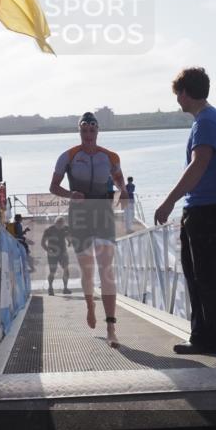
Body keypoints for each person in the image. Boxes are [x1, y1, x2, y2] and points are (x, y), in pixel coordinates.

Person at [154, 68, 216, 355]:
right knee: (197, 274)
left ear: (185, 93)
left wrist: (169, 201)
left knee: (204, 275)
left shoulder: (205, 122)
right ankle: (203, 336)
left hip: (207, 209)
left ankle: (210, 340)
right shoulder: (208, 120)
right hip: (205, 208)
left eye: (178, 93)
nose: (177, 99)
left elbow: (198, 165)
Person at [50, 111, 128, 347]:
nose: (88, 135)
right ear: (80, 131)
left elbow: (119, 180)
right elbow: (53, 186)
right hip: (80, 214)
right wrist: (70, 193)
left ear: (97, 131)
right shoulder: (69, 156)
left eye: (92, 130)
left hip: (103, 212)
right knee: (87, 269)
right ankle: (90, 305)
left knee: (107, 269)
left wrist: (123, 191)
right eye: (84, 130)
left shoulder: (110, 156)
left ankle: (111, 326)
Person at [40, 216, 72, 296]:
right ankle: (50, 288)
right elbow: (43, 243)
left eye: (62, 224)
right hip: (52, 254)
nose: (60, 226)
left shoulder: (66, 228)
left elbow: (68, 236)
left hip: (63, 252)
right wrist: (48, 250)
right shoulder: (49, 230)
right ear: (55, 223)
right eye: (59, 224)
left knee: (66, 269)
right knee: (52, 271)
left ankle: (65, 288)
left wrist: (69, 241)